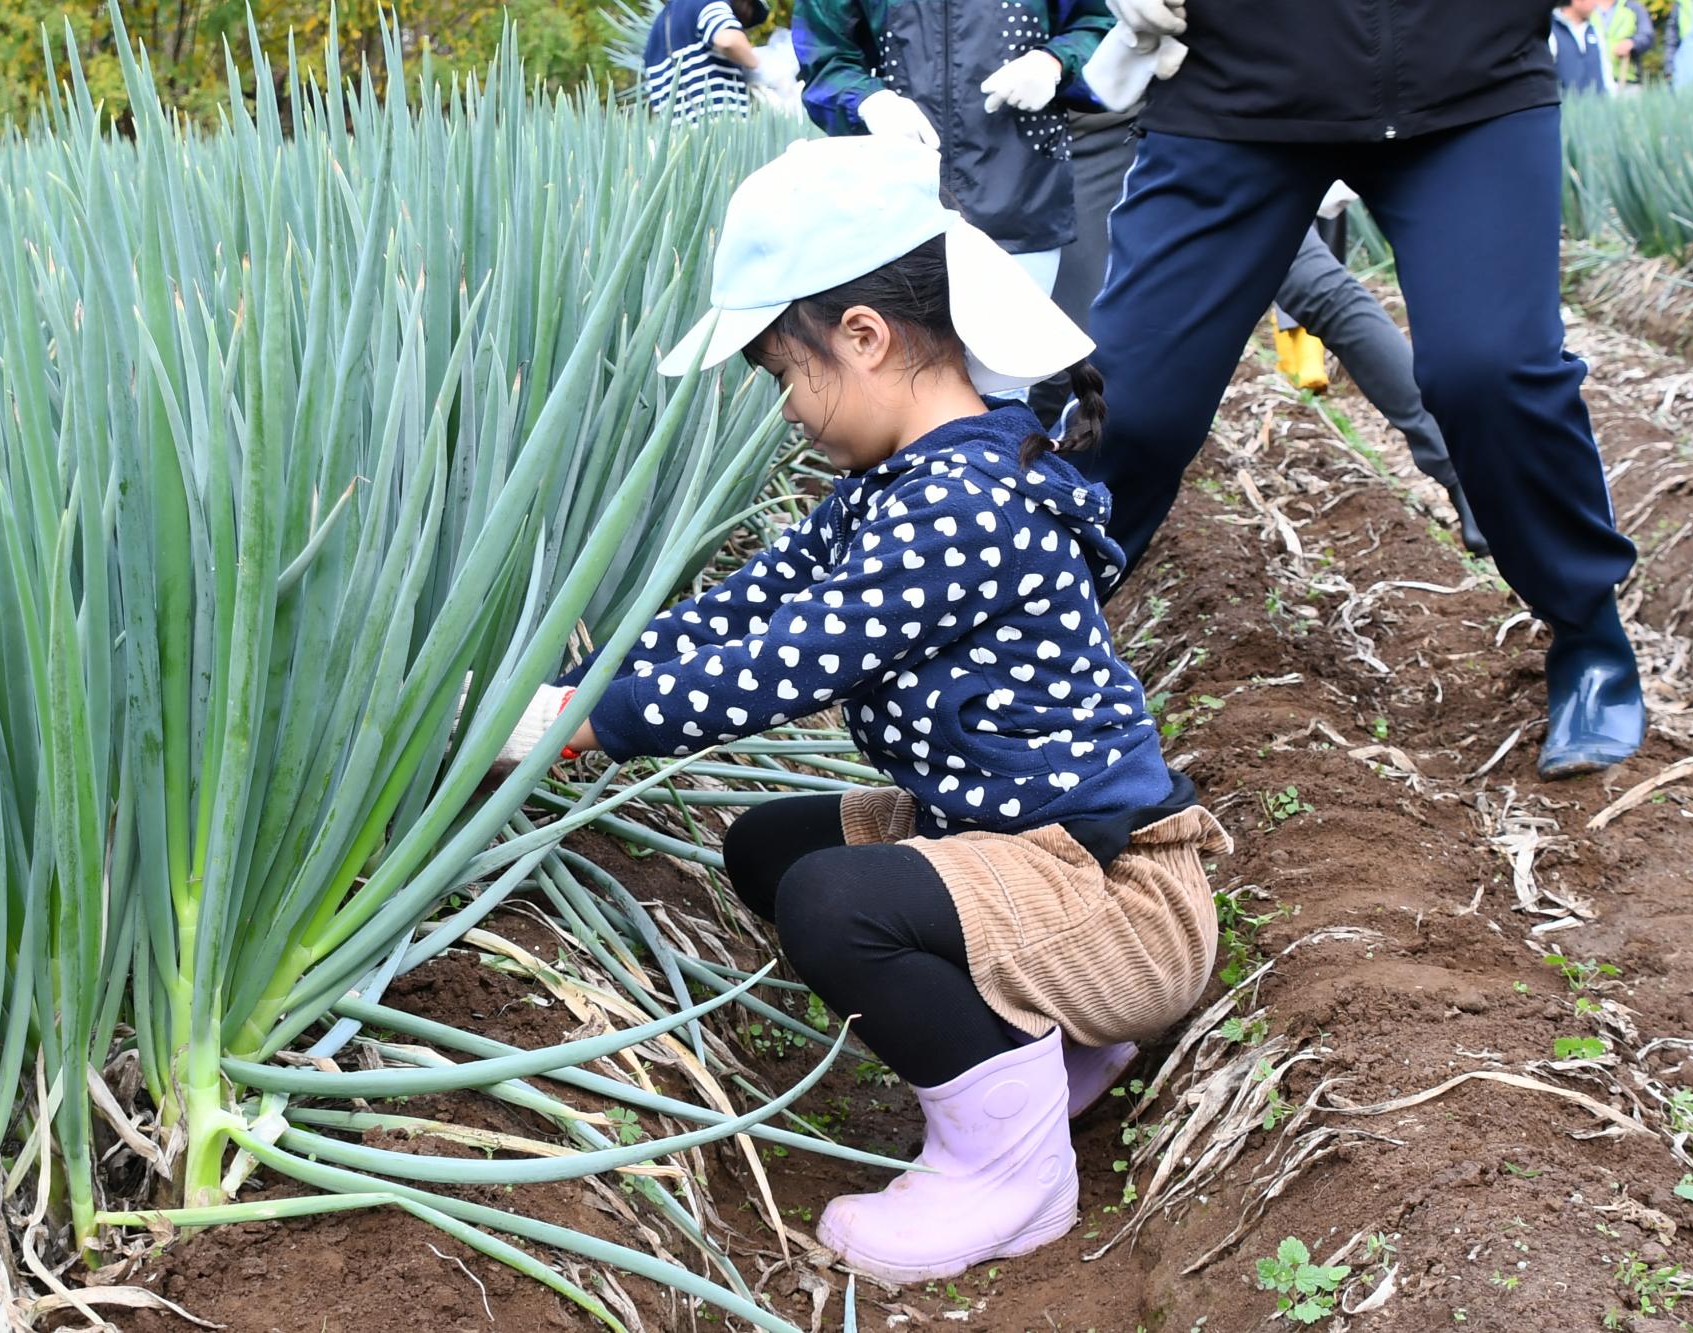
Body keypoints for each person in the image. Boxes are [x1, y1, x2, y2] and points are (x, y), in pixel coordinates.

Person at [512, 136, 1230, 1283]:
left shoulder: (963, 505)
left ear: (862, 335)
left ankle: (1012, 1174)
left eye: (781, 374)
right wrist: (579, 676)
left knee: (835, 899)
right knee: (770, 844)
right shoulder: (897, 484)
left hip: (1116, 902)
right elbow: (750, 606)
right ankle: (1041, 1051)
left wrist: (581, 727)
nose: (786, 410)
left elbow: (793, 658)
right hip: (1022, 855)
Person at [1075, 0, 1646, 780]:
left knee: (1493, 371)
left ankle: (1588, 634)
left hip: (1467, 78)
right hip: (1240, 84)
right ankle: (1027, 640)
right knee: (1133, 403)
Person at [1030, 111, 1489, 553]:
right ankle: (1041, 497)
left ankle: (1044, 520)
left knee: (1077, 346)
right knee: (1069, 348)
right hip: (1162, 131)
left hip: (1189, 130)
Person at [790, 0, 1113, 295]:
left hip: (1020, 196)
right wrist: (867, 100)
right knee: (906, 354)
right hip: (894, 205)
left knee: (1012, 353)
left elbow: (1108, 25)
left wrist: (1054, 62)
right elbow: (824, 52)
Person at [643, 0, 792, 122]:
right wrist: (759, 66)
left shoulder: (654, 35)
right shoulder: (706, 3)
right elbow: (728, 40)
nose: (741, 25)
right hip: (724, 134)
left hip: (680, 145)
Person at [1552, 0, 1612, 93]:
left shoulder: (1595, 31)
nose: (1596, 3)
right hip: (1566, 105)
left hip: (1598, 105)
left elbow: (1606, 74)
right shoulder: (1551, 30)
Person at [1592, 0, 1656, 86]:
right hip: (1591, 79)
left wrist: (1632, 42)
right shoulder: (1585, 7)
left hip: (1626, 79)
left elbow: (1647, 35)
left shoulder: (1633, 7)